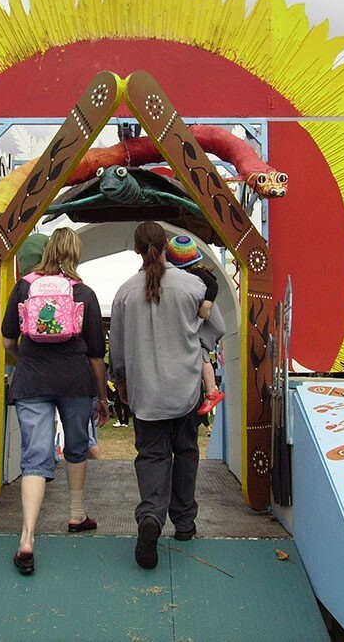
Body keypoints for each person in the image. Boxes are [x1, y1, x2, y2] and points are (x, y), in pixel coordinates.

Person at [109, 221, 225, 569]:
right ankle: (185, 523)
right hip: (185, 389)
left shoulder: (125, 292)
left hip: (145, 392)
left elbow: (117, 349)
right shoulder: (193, 286)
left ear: (136, 250)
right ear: (166, 248)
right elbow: (217, 327)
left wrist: (121, 382)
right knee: (186, 452)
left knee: (152, 455)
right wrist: (197, 346)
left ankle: (150, 516)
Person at [1, 227, 109, 576]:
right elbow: (96, 355)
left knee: (35, 456)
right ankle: (76, 514)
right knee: (76, 446)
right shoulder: (84, 293)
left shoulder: (23, 287)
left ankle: (27, 538)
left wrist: (25, 361)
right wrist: (103, 397)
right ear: (75, 253)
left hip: (32, 379)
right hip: (75, 380)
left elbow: (7, 341)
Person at [164, 234, 225, 415]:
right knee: (200, 352)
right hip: (210, 326)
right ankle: (210, 390)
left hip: (209, 325)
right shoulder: (196, 274)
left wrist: (206, 305)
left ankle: (211, 390)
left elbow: (213, 285)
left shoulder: (196, 275)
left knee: (200, 351)